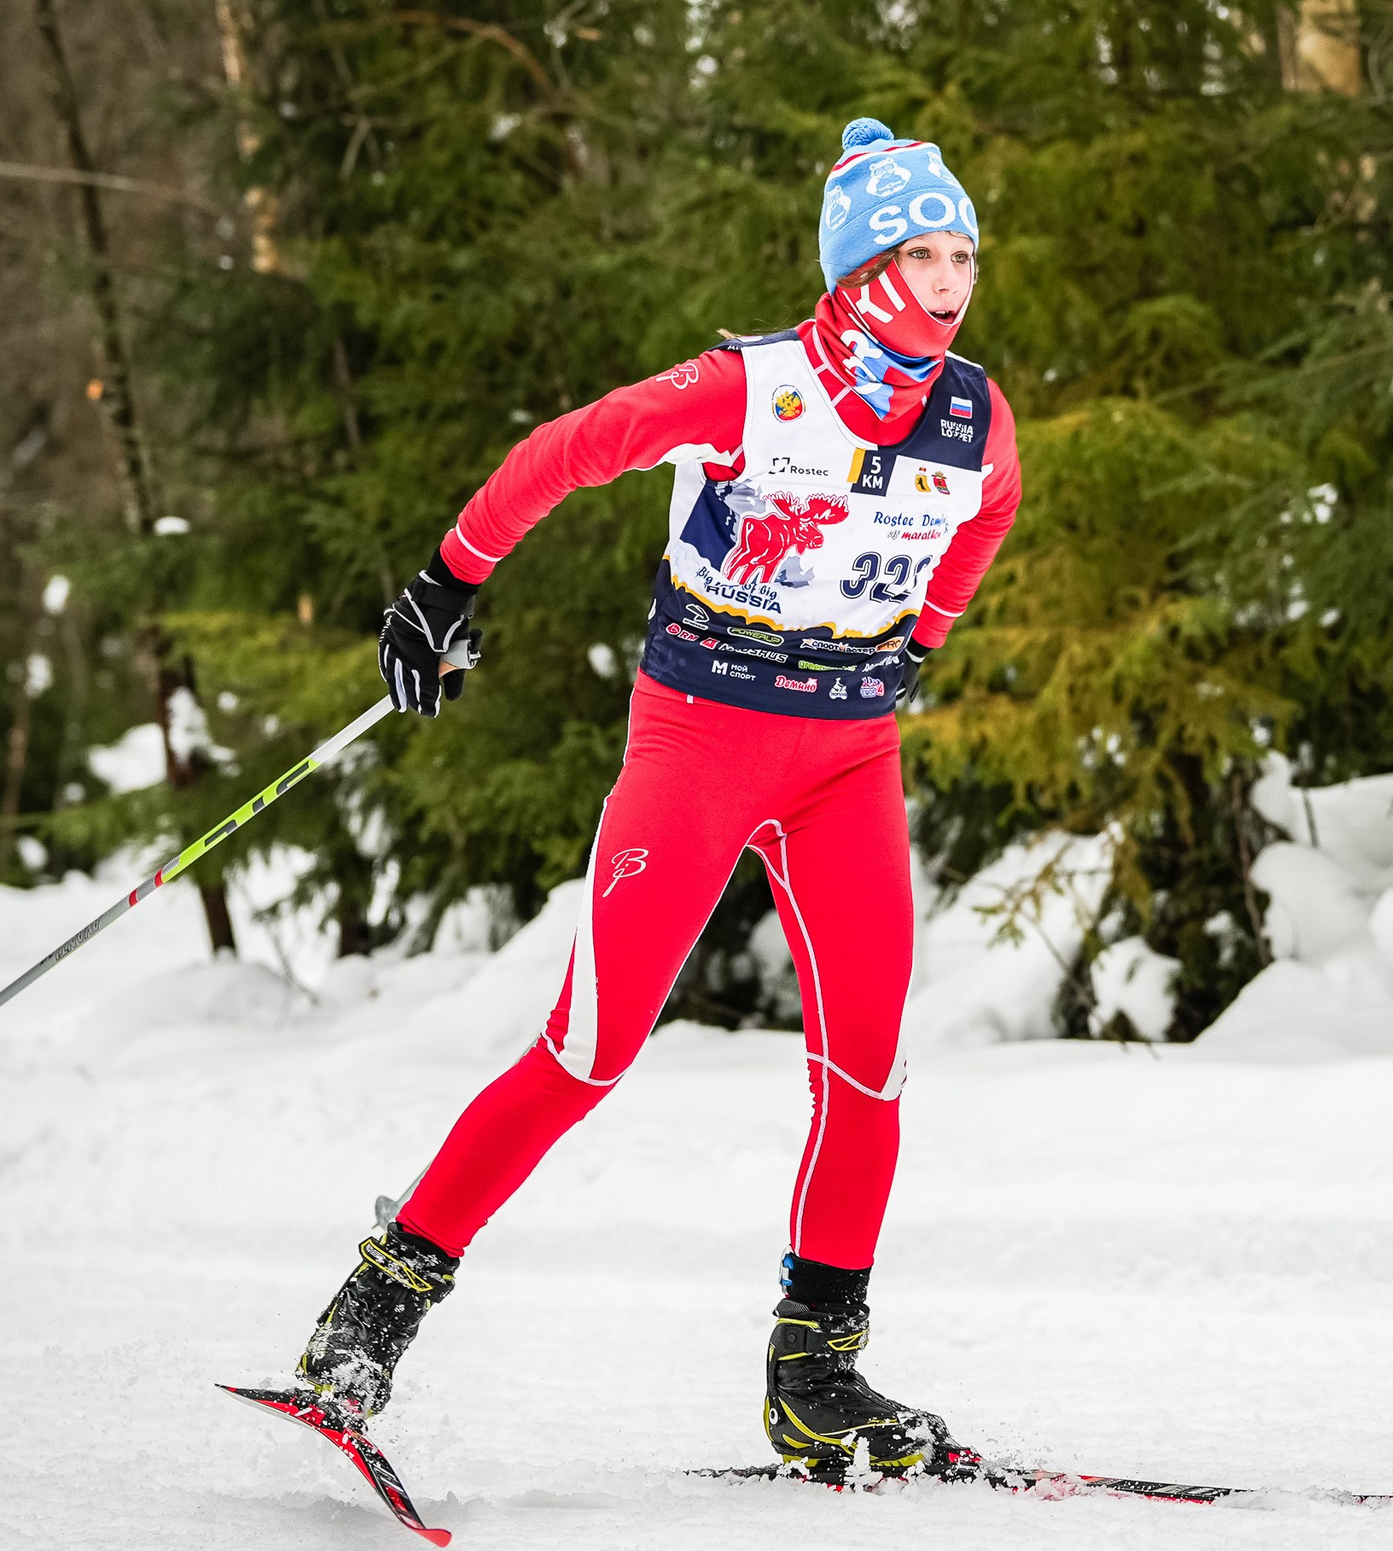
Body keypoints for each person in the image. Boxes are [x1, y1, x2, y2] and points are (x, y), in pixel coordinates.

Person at [287, 118, 1021, 1480]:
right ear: (862, 265)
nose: (950, 277)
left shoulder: (973, 409)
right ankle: (368, 1316)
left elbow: (987, 513)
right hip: (700, 735)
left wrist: (921, 638)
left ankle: (818, 1377)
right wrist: (449, 581)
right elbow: (569, 449)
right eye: (922, 250)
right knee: (591, 1050)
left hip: (849, 753)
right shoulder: (754, 387)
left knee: (868, 1068)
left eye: (964, 250)